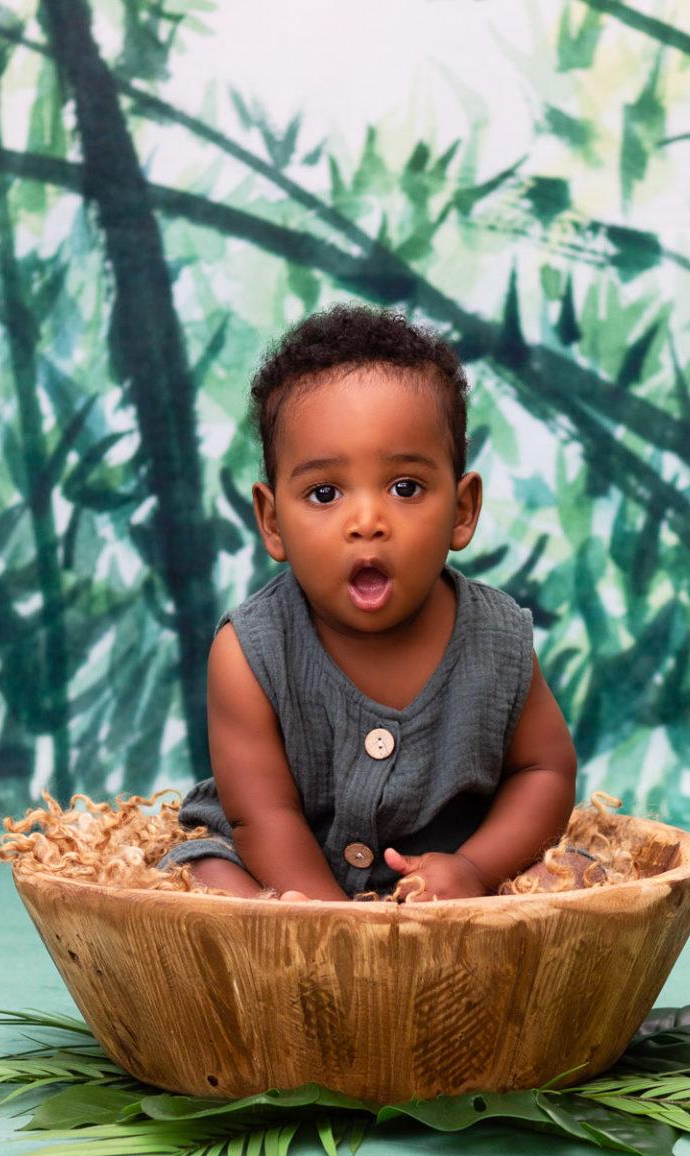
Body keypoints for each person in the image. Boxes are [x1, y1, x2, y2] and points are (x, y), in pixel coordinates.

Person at [156, 304, 579, 902]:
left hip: (449, 877)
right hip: (283, 871)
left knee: (574, 871)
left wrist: (476, 869)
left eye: (405, 487)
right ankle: (291, 928)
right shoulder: (250, 653)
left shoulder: (498, 639)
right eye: (324, 493)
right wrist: (333, 926)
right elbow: (262, 816)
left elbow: (545, 771)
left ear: (462, 511)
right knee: (203, 875)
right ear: (272, 522)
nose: (366, 521)